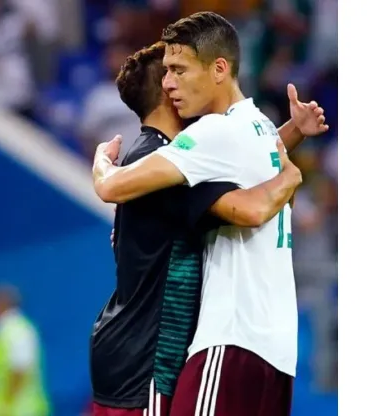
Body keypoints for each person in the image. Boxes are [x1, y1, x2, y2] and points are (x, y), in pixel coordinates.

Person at [91, 12, 329, 416]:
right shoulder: (257, 126)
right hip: (277, 350)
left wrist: (101, 162)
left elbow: (111, 187)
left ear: (219, 69)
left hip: (230, 337)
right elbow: (264, 169)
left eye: (179, 70)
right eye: (166, 72)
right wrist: (292, 143)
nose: (170, 83)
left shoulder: (210, 135)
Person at [0, 284, 50, 416]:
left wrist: (5, 406)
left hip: (18, 411)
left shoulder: (16, 330)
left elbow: (20, 369)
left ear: (1, 304)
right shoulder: (4, 330)